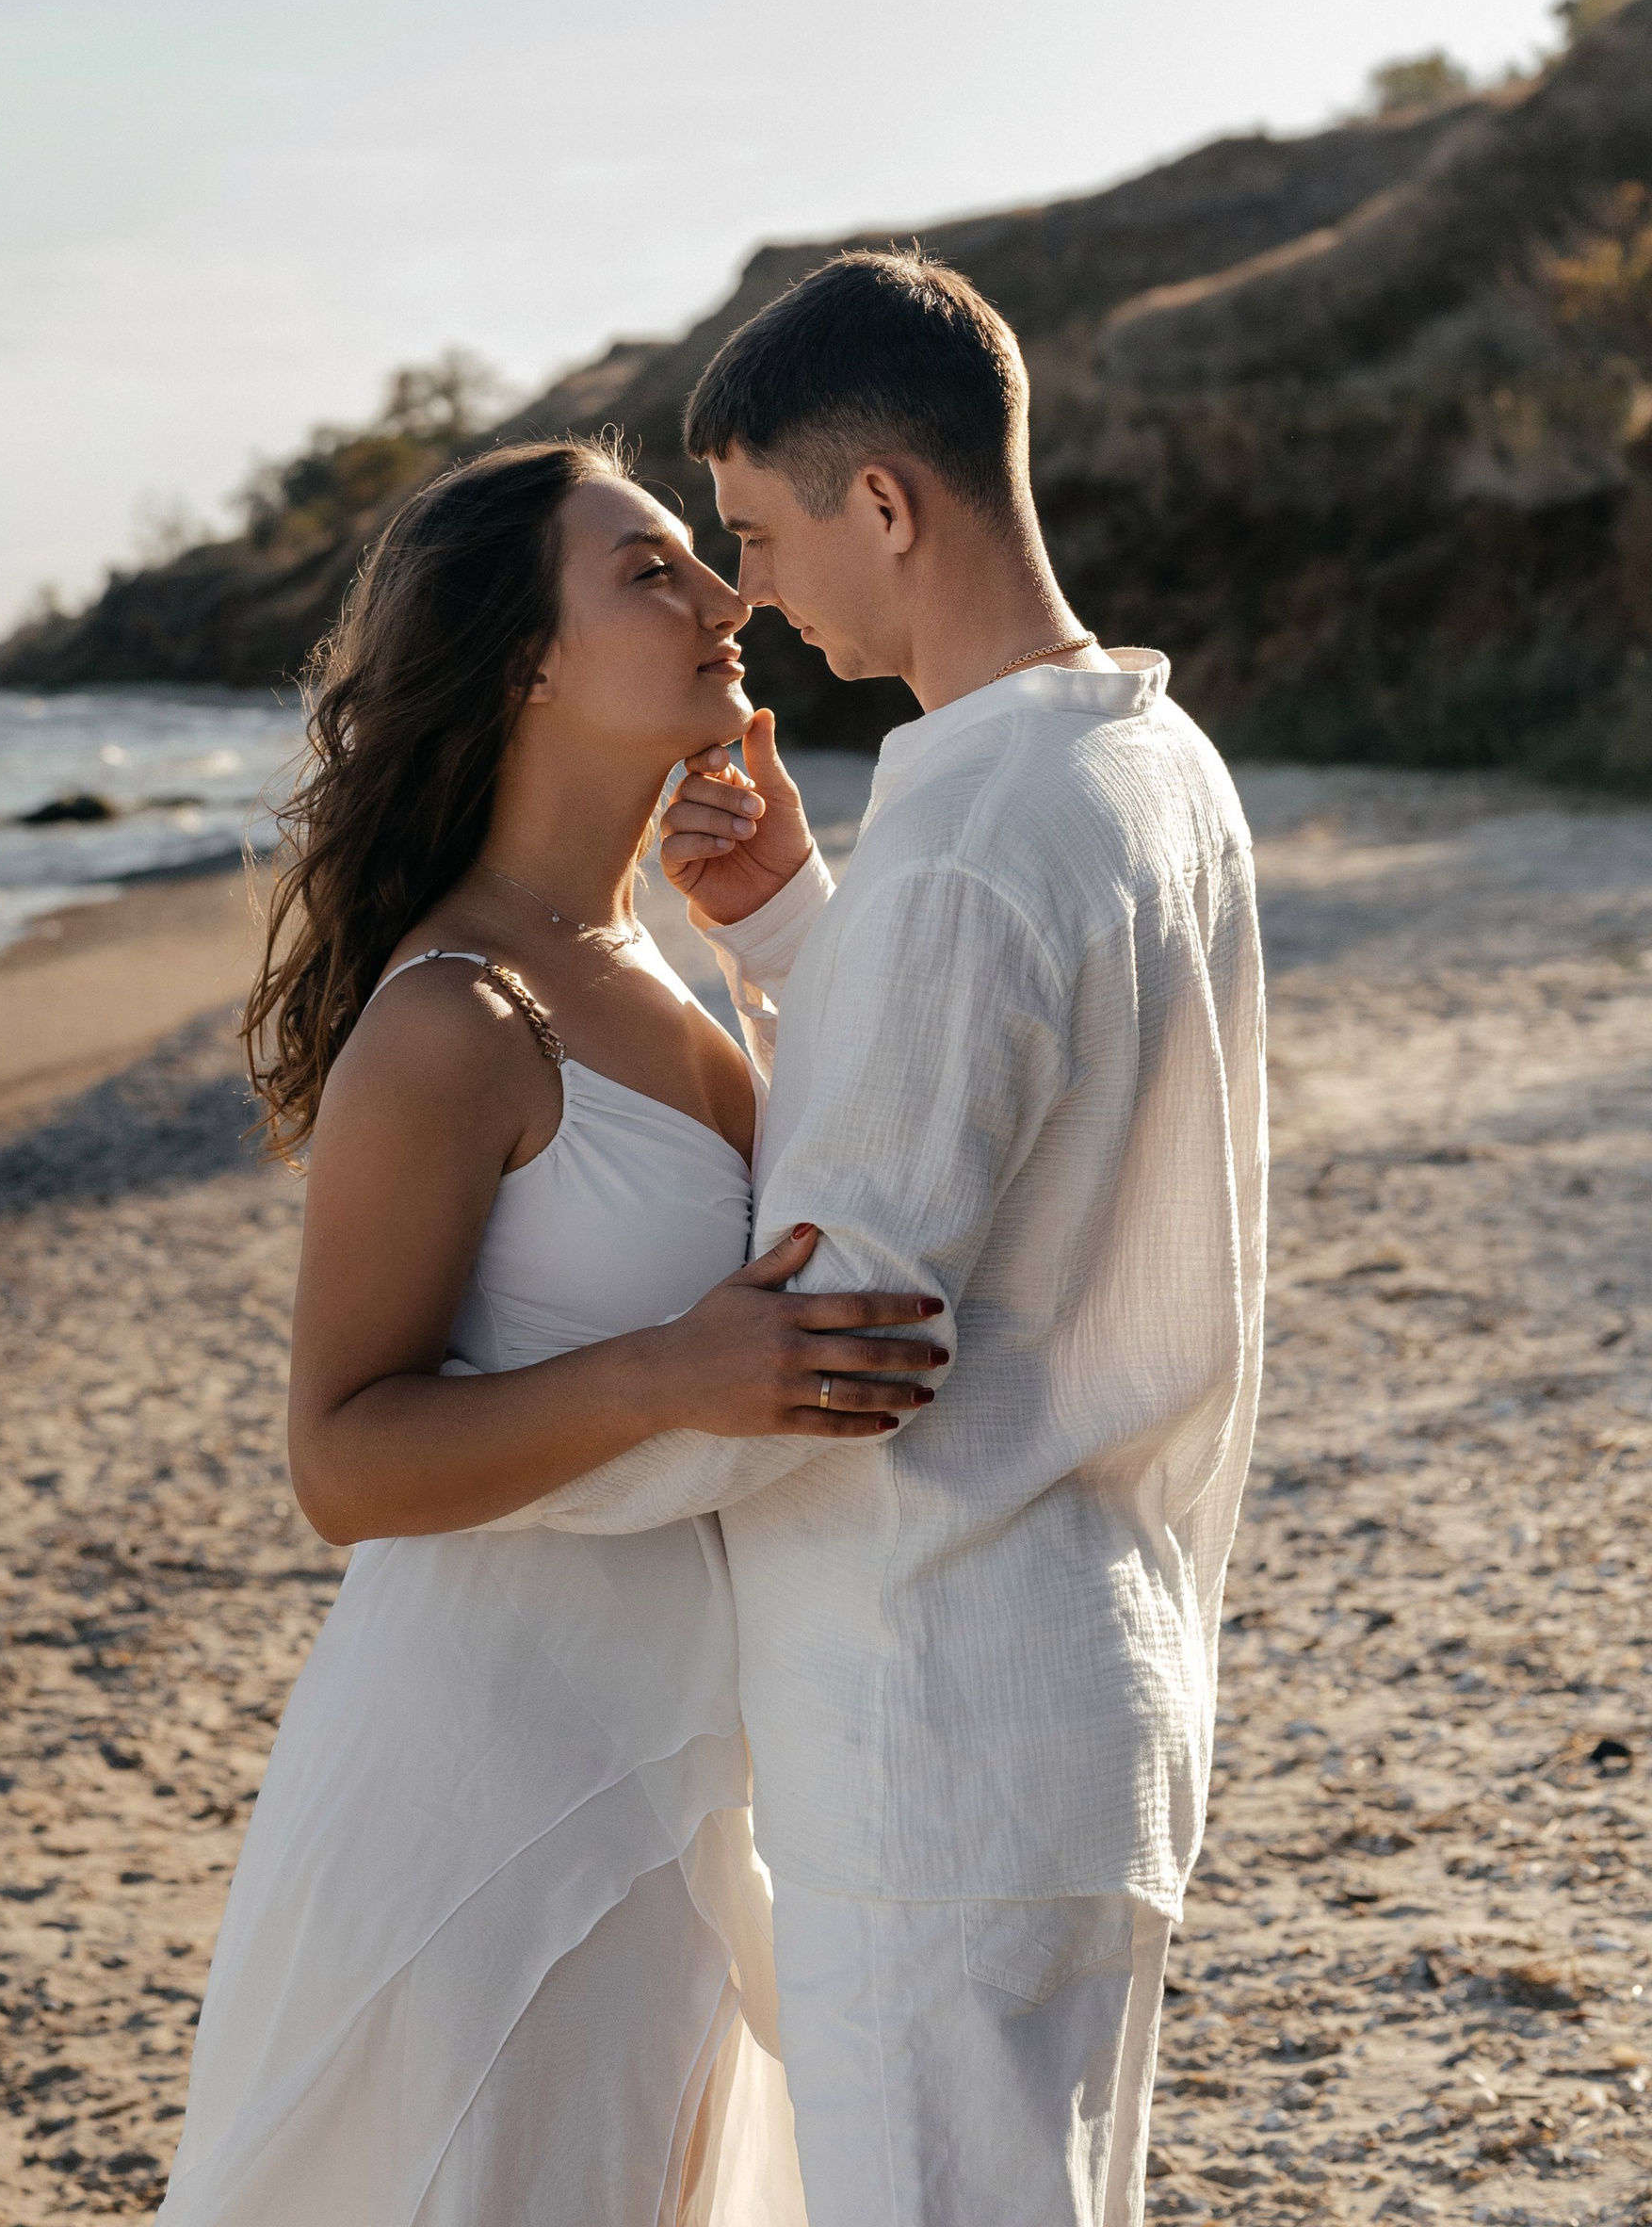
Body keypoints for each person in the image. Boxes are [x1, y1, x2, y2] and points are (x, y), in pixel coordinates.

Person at [511, 251, 1269, 2227]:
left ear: (886, 505)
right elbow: (1008, 1124)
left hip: (932, 1715)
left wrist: (489, 1467)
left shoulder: (965, 854)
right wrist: (784, 928)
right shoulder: (1144, 768)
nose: (743, 592)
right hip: (1086, 1686)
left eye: (755, 533)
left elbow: (826, 1344)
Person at [155, 434, 947, 2227]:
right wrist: (671, 1372)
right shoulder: (452, 1015)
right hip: (481, 1788)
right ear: (525, 661)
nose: (723, 597)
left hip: (678, 1762)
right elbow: (340, 1460)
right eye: (651, 570)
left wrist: (777, 929)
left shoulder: (657, 961)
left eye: (700, 560)